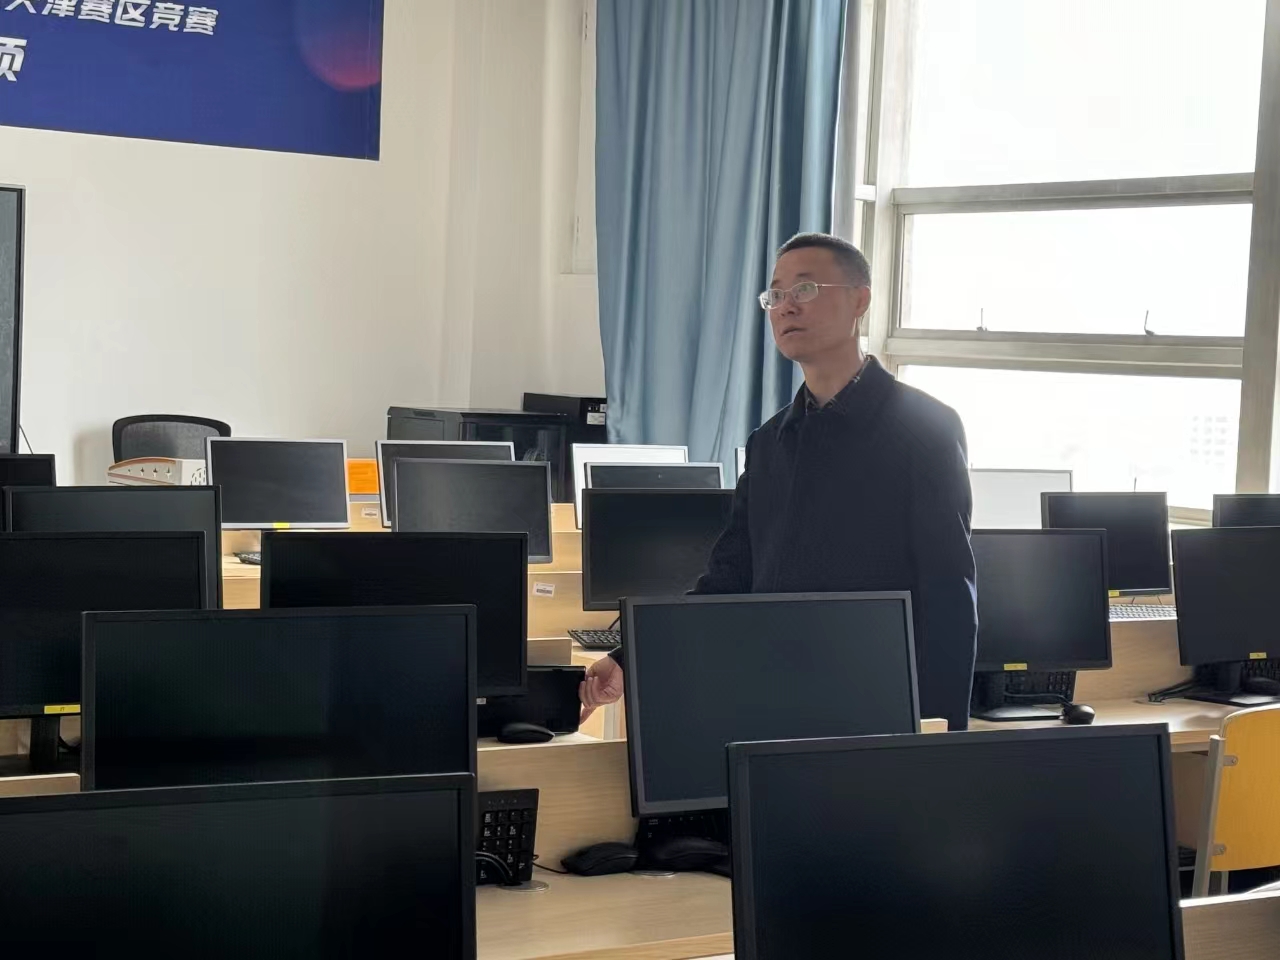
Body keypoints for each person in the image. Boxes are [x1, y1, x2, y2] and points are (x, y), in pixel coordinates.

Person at [580, 231, 977, 732]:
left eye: (805, 289)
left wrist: (941, 736)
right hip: (771, 696)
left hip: (877, 708)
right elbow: (728, 582)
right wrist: (628, 657)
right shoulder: (770, 443)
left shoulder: (925, 428)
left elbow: (949, 594)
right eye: (776, 294)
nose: (786, 306)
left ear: (860, 300)